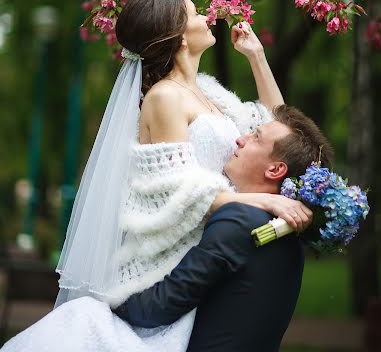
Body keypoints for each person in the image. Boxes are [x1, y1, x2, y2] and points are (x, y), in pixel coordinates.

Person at [3, 0, 314, 352]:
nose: (207, 17)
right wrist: (262, 203)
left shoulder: (208, 92)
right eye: (196, 13)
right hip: (171, 260)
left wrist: (256, 57)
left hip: (214, 245)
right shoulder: (164, 97)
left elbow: (281, 131)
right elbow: (178, 188)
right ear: (181, 36)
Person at [114, 105, 334, 352]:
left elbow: (159, 306)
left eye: (256, 137)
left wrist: (110, 300)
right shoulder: (291, 236)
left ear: (275, 170)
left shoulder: (238, 221)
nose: (240, 139)